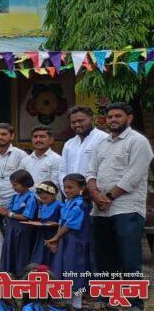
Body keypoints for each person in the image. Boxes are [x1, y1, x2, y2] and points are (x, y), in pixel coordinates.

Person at [86, 102, 151, 304]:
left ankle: (134, 305)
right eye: (110, 117)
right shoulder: (102, 144)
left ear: (129, 118)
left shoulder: (138, 141)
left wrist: (108, 197)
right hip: (100, 210)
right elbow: (90, 172)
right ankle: (108, 303)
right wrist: (95, 194)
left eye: (118, 116)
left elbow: (133, 175)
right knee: (105, 262)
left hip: (127, 209)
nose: (113, 120)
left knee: (129, 260)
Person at [46, 174, 91, 310]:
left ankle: (77, 303)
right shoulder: (67, 202)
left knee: (75, 269)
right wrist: (56, 240)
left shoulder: (81, 204)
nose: (67, 190)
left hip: (76, 241)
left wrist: (56, 237)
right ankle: (67, 301)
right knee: (64, 268)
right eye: (65, 187)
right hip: (65, 240)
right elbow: (62, 222)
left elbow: (69, 224)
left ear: (82, 188)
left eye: (71, 187)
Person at [0, 123, 27, 231]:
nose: (0, 137)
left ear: (12, 136)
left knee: (13, 233)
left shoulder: (21, 155)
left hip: (14, 202)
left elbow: (24, 180)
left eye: (4, 134)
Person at [0, 170, 37, 278]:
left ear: (25, 183)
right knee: (10, 251)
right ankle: (9, 275)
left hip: (23, 231)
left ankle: (21, 276)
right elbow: (9, 210)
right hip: (11, 230)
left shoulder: (31, 197)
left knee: (21, 253)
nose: (13, 187)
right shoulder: (15, 197)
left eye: (15, 185)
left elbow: (26, 216)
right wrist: (4, 212)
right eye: (12, 185)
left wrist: (9, 214)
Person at [60, 106, 108, 178]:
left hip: (95, 184)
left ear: (92, 119)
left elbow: (106, 167)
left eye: (80, 121)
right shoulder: (69, 144)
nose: (77, 125)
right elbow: (62, 170)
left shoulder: (103, 139)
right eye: (73, 122)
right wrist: (65, 184)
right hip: (69, 185)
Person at [18, 125, 64, 191]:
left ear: (51, 140)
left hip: (49, 197)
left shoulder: (57, 159)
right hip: (28, 197)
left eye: (42, 137)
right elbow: (20, 182)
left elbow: (55, 186)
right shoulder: (25, 160)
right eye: (35, 137)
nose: (38, 140)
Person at [29, 181, 61, 266]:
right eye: (41, 198)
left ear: (54, 194)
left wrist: (56, 223)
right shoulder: (42, 206)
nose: (43, 200)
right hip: (42, 236)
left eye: (45, 198)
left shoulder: (60, 206)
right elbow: (40, 219)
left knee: (52, 259)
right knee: (40, 257)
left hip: (53, 236)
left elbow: (63, 222)